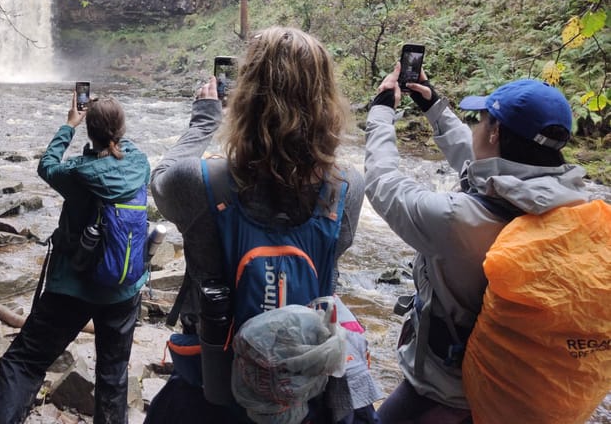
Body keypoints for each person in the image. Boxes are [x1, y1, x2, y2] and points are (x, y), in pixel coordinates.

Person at [147, 26, 380, 423]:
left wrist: (203, 121)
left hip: (213, 389)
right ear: (326, 102)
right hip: (303, 394)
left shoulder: (197, 183)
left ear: (244, 99)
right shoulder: (347, 188)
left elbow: (160, 177)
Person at [364, 65, 588, 424]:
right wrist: (435, 108)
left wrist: (380, 112)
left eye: (481, 121)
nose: (475, 129)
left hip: (443, 393)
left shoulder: (456, 220)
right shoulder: (574, 204)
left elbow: (383, 184)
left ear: (495, 131)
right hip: (515, 395)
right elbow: (483, 169)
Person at [0, 93, 151, 424]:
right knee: (114, 377)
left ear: (90, 130)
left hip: (72, 289)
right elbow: (119, 148)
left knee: (24, 363)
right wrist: (108, 132)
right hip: (123, 289)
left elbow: (47, 165)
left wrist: (69, 125)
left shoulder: (77, 173)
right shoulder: (140, 164)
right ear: (121, 130)